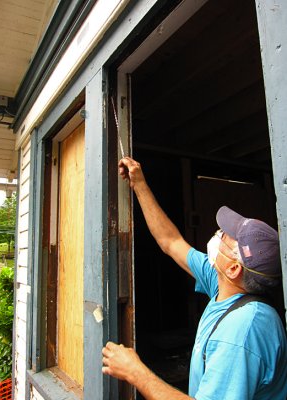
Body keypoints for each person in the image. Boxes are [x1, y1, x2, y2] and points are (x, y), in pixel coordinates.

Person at [102, 156, 287, 399]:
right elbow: (170, 241)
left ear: (233, 269)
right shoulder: (224, 284)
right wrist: (139, 183)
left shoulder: (243, 330)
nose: (218, 232)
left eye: (225, 236)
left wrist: (135, 372)